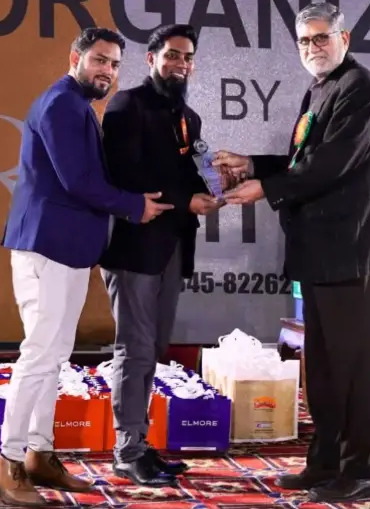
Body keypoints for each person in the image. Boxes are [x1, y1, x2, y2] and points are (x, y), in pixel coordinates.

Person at [214, 2, 370, 503]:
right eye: (304, 40)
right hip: (318, 248)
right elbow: (304, 159)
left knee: (351, 366)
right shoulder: (320, 88)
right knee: (324, 366)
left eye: (321, 37)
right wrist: (254, 165)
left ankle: (362, 471)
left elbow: (331, 165)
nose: (313, 47)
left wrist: (265, 188)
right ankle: (326, 462)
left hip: (348, 247)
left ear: (344, 38)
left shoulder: (359, 87)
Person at [0, 27, 174, 506]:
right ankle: (7, 462)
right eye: (99, 60)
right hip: (47, 247)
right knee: (39, 354)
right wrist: (133, 205)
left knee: (53, 355)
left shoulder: (76, 105)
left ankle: (39, 453)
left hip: (66, 250)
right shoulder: (60, 104)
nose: (107, 71)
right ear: (75, 58)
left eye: (114, 64)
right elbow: (77, 180)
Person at [99, 24, 223, 487]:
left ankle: (140, 442)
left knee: (152, 348)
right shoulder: (126, 105)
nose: (180, 64)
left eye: (187, 57)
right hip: (134, 248)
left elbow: (190, 174)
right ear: (151, 58)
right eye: (172, 55)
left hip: (173, 247)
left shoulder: (189, 116)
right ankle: (127, 450)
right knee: (134, 348)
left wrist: (218, 184)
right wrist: (187, 198)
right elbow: (123, 174)